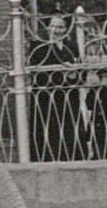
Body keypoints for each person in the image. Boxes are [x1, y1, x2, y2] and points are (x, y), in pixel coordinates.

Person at [27, 15, 85, 162]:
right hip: (46, 96)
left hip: (68, 96)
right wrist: (62, 74)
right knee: (48, 130)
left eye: (60, 27)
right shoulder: (38, 46)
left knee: (69, 129)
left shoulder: (71, 46)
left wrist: (73, 75)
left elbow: (81, 72)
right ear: (47, 27)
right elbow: (37, 73)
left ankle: (72, 158)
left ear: (66, 29)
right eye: (53, 26)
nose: (56, 30)